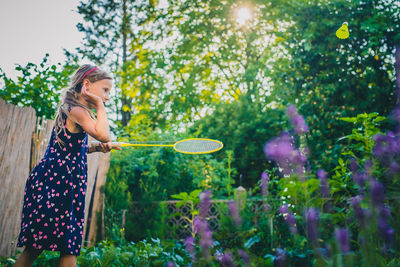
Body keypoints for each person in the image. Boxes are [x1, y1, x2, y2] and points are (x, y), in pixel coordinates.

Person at [13, 64, 121, 267]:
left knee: (63, 245)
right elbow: (104, 133)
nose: (107, 96)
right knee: (58, 245)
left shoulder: (75, 111)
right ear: (87, 84)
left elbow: (74, 149)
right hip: (58, 185)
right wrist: (99, 105)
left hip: (62, 183)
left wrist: (99, 148)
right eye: (105, 90)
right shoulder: (77, 110)